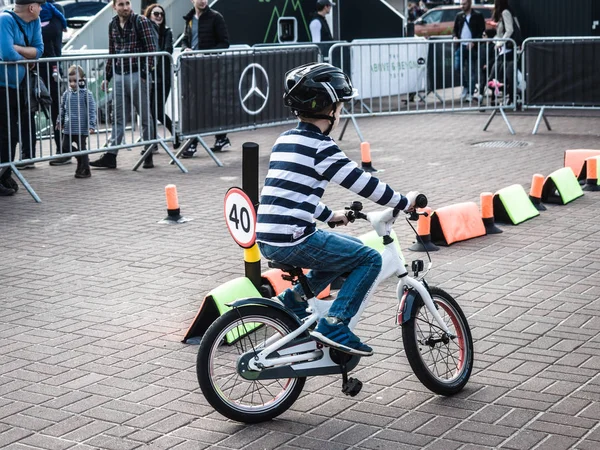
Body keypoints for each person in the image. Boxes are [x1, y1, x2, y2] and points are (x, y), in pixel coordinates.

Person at [256, 63, 418, 356]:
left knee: (351, 246)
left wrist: (330, 216)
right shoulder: (322, 147)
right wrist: (403, 202)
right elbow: (362, 183)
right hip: (293, 239)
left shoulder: (285, 140)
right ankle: (335, 323)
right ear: (328, 108)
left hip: (267, 237)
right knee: (369, 258)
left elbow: (294, 192)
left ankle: (294, 299)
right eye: (340, 105)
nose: (340, 111)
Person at [90, 0, 157, 170]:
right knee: (118, 118)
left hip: (137, 74)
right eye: (121, 4)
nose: (125, 7)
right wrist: (107, 76)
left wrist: (144, 73)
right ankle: (111, 156)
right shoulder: (112, 24)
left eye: (127, 3)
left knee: (144, 116)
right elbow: (112, 51)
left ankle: (148, 153)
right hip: (119, 75)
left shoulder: (140, 21)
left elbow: (151, 49)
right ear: (114, 7)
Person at [0, 0, 44, 196]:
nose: (42, 9)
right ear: (31, 7)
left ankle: (5, 172)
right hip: (2, 87)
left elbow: (39, 50)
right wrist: (27, 58)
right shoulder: (5, 20)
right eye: (40, 5)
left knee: (13, 132)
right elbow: (7, 54)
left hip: (19, 86)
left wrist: (18, 49)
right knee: (4, 132)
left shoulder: (34, 21)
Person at [181, 0, 231, 158]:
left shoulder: (216, 17)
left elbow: (224, 43)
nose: (203, 1)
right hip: (192, 67)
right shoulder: (189, 18)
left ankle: (193, 143)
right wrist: (185, 49)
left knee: (200, 105)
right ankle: (221, 137)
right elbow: (184, 39)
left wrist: (205, 53)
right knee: (202, 104)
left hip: (209, 68)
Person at [40, 0, 70, 165]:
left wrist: (31, 30)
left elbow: (52, 32)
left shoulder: (55, 9)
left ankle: (64, 150)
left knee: (56, 110)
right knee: (27, 111)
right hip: (34, 67)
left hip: (52, 68)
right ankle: (27, 154)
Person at [56, 65, 97, 178]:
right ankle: (79, 158)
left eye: (75, 81)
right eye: (70, 81)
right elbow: (62, 108)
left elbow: (91, 110)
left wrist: (91, 124)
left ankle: (85, 169)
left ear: (82, 80)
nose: (72, 83)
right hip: (69, 127)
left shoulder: (86, 94)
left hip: (81, 127)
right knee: (65, 146)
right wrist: (60, 120)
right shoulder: (66, 94)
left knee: (82, 148)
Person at [144, 3, 175, 150]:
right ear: (149, 15)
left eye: (161, 14)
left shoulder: (167, 32)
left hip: (163, 77)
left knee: (157, 111)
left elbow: (167, 49)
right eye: (156, 14)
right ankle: (153, 143)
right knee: (149, 111)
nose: (159, 16)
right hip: (148, 77)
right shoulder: (144, 31)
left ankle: (176, 134)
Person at [452, 0, 485, 102]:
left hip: (472, 48)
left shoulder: (478, 15)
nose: (462, 6)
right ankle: (466, 86)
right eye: (461, 4)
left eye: (464, 4)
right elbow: (454, 30)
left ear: (470, 4)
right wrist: (455, 37)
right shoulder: (459, 16)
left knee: (472, 71)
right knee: (457, 67)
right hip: (460, 46)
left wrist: (474, 42)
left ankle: (470, 93)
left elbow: (481, 31)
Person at [488, 0, 519, 104]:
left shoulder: (505, 12)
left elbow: (510, 30)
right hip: (505, 48)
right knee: (502, 72)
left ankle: (508, 97)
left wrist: (500, 43)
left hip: (507, 49)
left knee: (504, 73)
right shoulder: (506, 12)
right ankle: (506, 96)